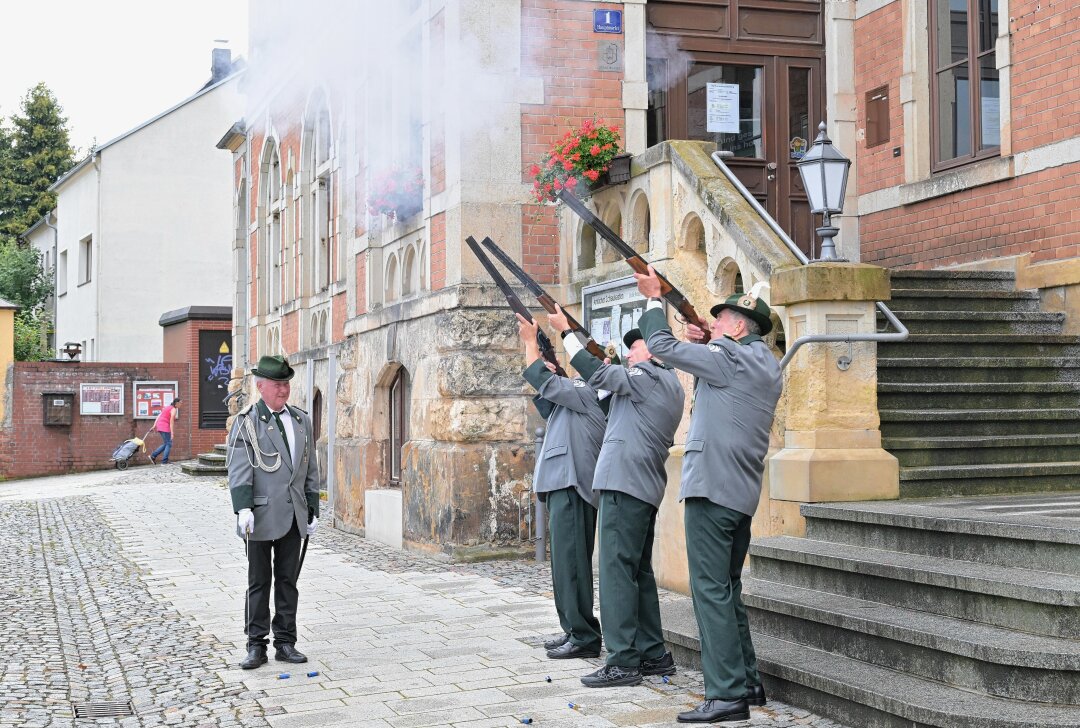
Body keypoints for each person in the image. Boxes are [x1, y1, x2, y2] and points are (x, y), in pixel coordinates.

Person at [635, 266, 782, 724]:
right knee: (727, 589)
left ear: (739, 327)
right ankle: (747, 682)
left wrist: (652, 300)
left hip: (711, 487)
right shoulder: (762, 362)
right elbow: (724, 393)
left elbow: (659, 346)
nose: (713, 324)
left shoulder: (728, 354)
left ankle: (726, 695)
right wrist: (705, 346)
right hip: (739, 490)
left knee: (710, 592)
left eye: (721, 320)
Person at [548, 305, 684, 688]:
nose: (630, 353)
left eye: (637, 347)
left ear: (656, 352)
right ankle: (653, 653)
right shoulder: (656, 384)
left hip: (625, 484)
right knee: (636, 572)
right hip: (638, 484)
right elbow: (604, 391)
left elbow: (598, 373)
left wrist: (565, 333)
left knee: (614, 572)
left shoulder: (650, 376)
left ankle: (623, 660)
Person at [516, 314, 606, 660]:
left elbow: (545, 380)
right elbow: (545, 392)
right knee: (564, 567)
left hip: (573, 487)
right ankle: (574, 628)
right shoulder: (571, 399)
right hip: (562, 486)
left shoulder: (586, 391)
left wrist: (530, 344)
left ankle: (584, 635)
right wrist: (540, 348)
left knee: (572, 567)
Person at [227, 354, 321, 670]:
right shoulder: (247, 421)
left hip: (293, 514)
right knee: (258, 581)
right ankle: (256, 645)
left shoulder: (301, 420)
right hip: (260, 515)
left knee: (287, 580)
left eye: (286, 384)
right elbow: (239, 468)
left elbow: (310, 467)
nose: (283, 390)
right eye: (277, 384)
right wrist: (243, 508)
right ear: (260, 385)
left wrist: (312, 509)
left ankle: (285, 642)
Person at [150, 398, 180, 464]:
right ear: (176, 403)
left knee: (167, 443)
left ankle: (153, 456)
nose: (181, 404)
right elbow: (171, 421)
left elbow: (159, 416)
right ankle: (164, 462)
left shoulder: (167, 407)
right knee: (169, 444)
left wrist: (155, 425)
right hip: (164, 427)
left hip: (160, 426)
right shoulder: (173, 409)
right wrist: (172, 433)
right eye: (180, 403)